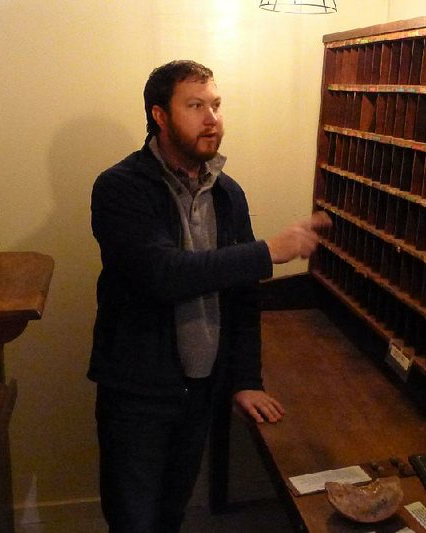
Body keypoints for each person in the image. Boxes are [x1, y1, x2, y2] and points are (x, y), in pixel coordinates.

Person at [89, 59, 331, 533]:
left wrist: (245, 379)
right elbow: (161, 274)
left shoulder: (227, 193)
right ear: (159, 115)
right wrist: (268, 252)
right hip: (137, 391)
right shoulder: (120, 187)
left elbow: (241, 296)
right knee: (133, 519)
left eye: (216, 105)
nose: (212, 118)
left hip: (199, 388)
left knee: (171, 513)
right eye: (195, 105)